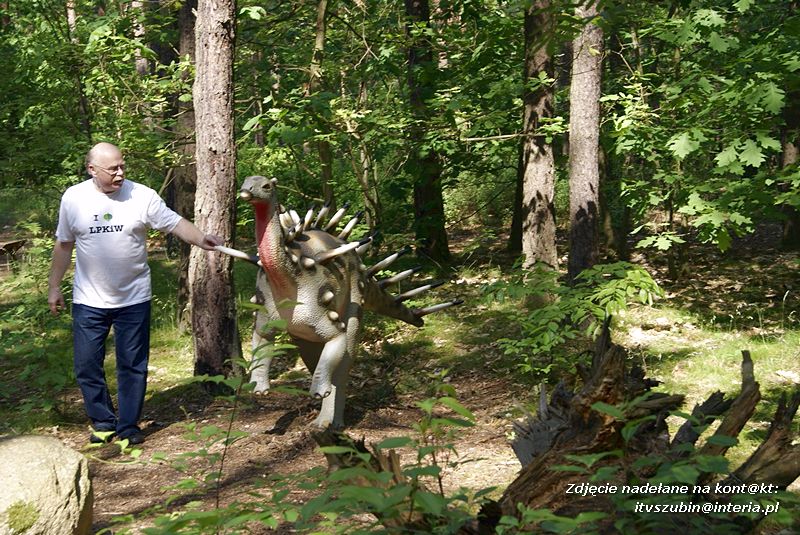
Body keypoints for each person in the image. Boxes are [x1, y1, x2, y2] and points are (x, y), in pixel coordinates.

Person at [48, 142, 223, 445]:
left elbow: (174, 222)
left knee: (132, 365)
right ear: (92, 169)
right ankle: (103, 421)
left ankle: (129, 425)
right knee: (87, 364)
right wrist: (54, 286)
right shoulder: (74, 198)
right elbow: (64, 244)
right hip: (89, 300)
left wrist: (201, 238)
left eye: (122, 166)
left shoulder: (141, 195)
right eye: (112, 168)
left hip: (134, 298)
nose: (120, 173)